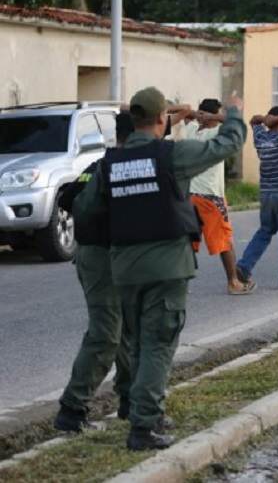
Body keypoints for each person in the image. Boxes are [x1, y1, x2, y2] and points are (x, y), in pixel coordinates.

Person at [73, 87, 247, 450]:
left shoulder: (109, 164)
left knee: (136, 345)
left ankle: (135, 409)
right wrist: (234, 113)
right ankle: (144, 425)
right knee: (158, 345)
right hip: (167, 266)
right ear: (160, 120)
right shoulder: (171, 155)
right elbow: (227, 145)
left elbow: (86, 212)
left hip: (124, 268)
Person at [53, 113, 134, 433]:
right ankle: (72, 408)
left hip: (118, 257)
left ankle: (131, 401)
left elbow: (69, 197)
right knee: (107, 333)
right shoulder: (113, 166)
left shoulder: (106, 163)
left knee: (127, 330)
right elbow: (70, 197)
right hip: (100, 257)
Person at [172, 98, 254, 295]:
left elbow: (184, 111)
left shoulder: (191, 130)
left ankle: (179, 285)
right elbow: (233, 122)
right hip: (211, 197)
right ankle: (233, 282)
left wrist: (197, 115)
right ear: (211, 117)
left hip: (188, 196)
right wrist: (216, 116)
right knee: (224, 241)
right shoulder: (216, 132)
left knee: (187, 243)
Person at [237, 107, 278, 289]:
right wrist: (276, 119)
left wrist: (266, 119)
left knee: (265, 232)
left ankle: (244, 265)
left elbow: (253, 120)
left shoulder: (260, 138)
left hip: (266, 194)